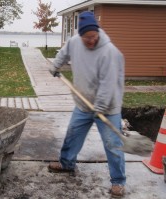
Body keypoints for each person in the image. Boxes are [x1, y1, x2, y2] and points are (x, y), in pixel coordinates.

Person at [48, 11, 126, 198]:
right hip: (83, 103)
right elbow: (64, 52)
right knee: (73, 134)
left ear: (98, 32)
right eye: (86, 37)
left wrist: (99, 107)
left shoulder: (110, 52)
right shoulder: (75, 42)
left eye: (93, 36)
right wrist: (55, 65)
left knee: (113, 144)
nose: (90, 40)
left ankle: (118, 182)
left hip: (107, 107)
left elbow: (108, 84)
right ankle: (66, 163)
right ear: (80, 35)